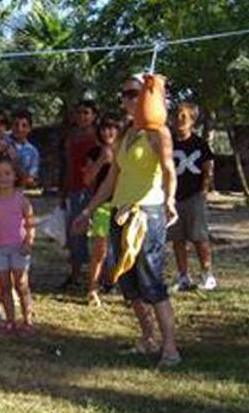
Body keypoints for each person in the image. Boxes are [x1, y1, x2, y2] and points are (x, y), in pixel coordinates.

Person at [73, 75, 181, 367]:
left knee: (152, 280)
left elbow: (169, 171)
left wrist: (170, 200)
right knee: (127, 280)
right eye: (125, 94)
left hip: (147, 212)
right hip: (120, 212)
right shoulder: (124, 134)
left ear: (150, 96)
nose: (129, 99)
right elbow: (111, 179)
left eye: (135, 93)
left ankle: (170, 348)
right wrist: (88, 211)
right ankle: (149, 339)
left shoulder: (159, 133)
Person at [0, 158, 36, 333]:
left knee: (21, 284)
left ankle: (28, 319)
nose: (3, 178)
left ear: (15, 176)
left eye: (7, 174)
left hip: (19, 247)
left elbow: (30, 224)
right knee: (4, 286)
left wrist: (29, 242)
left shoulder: (22, 200)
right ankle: (10, 320)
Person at [170, 102, 216, 291]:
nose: (179, 120)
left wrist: (203, 190)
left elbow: (208, 168)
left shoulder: (200, 144)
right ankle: (183, 276)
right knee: (177, 238)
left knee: (199, 237)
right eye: (177, 116)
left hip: (194, 196)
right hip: (174, 197)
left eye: (184, 117)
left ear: (192, 121)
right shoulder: (169, 142)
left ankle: (207, 275)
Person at [82, 115, 122, 307]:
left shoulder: (126, 151)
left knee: (126, 247)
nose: (108, 132)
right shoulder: (94, 152)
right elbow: (87, 180)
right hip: (103, 205)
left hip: (124, 205)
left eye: (112, 128)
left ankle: (117, 283)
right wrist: (101, 161)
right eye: (105, 129)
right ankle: (92, 288)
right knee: (100, 249)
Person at [60, 100, 98, 288]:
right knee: (75, 233)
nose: (82, 117)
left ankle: (101, 276)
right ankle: (75, 274)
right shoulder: (70, 138)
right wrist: (64, 191)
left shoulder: (99, 138)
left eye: (86, 112)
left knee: (101, 234)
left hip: (96, 190)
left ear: (93, 116)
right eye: (79, 113)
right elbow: (67, 165)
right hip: (75, 188)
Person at [7, 109, 41, 188]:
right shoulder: (3, 143)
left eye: (24, 126)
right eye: (16, 125)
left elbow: (31, 180)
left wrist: (15, 161)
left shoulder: (32, 152)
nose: (19, 129)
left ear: (29, 128)